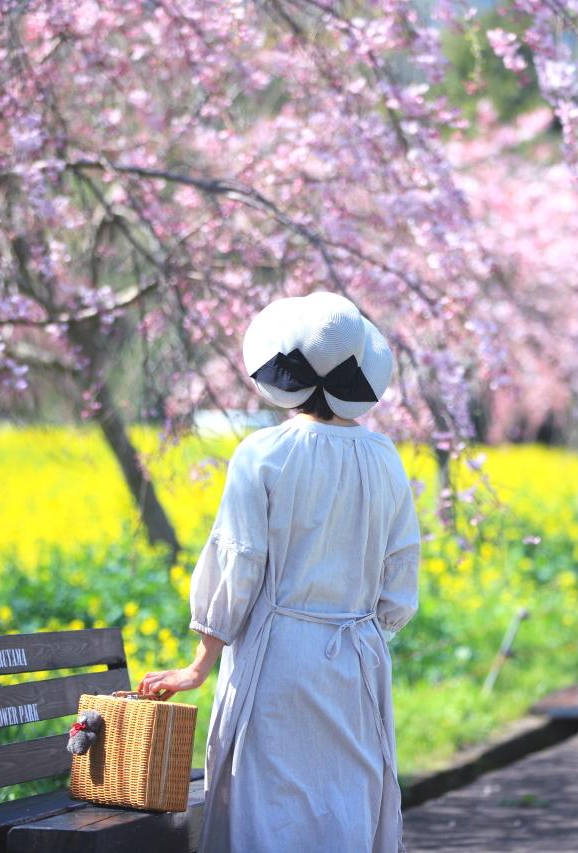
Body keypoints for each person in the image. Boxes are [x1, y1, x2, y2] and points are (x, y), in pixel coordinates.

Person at [139, 291, 421, 853]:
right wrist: (359, 631)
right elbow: (400, 578)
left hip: (276, 657)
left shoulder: (262, 454)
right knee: (347, 804)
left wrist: (199, 665)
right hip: (357, 659)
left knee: (269, 809)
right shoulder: (385, 459)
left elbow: (238, 564)